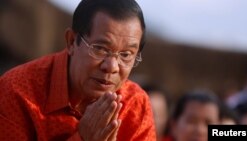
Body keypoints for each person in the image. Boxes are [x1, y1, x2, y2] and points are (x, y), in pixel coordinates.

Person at [0, 0, 156, 140]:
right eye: (100, 49)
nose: (112, 66)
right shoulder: (16, 91)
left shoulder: (135, 105)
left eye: (126, 54)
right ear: (71, 42)